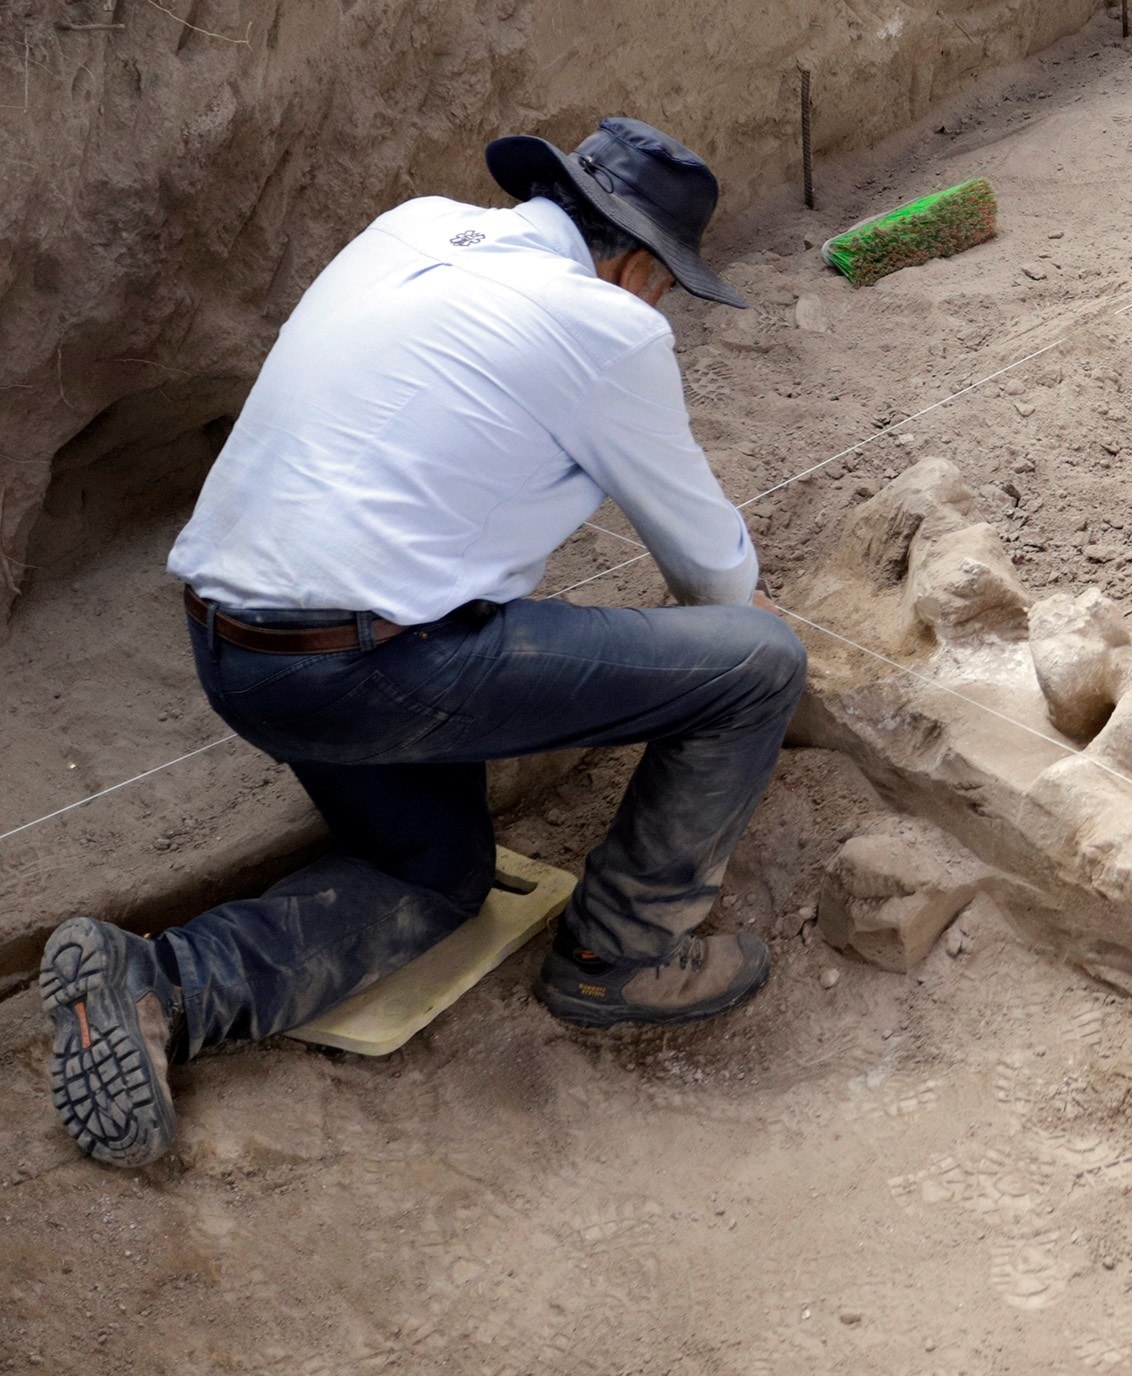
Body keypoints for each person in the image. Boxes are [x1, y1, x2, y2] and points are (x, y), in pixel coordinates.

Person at [43, 119, 806, 1170]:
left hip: (235, 647)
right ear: (637, 265)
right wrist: (733, 627)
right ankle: (618, 955)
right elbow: (715, 579)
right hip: (368, 670)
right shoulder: (608, 325)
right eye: (666, 283)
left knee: (438, 874)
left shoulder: (414, 226)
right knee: (758, 664)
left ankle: (160, 981)